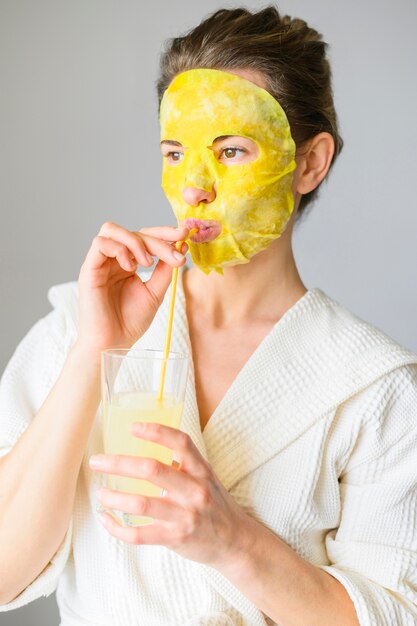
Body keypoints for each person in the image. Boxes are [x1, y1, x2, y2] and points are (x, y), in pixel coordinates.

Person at [0, 6, 416, 626]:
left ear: (309, 163)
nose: (193, 185)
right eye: (175, 152)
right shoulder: (76, 327)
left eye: (231, 150)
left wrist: (232, 540)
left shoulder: (375, 387)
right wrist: (94, 350)